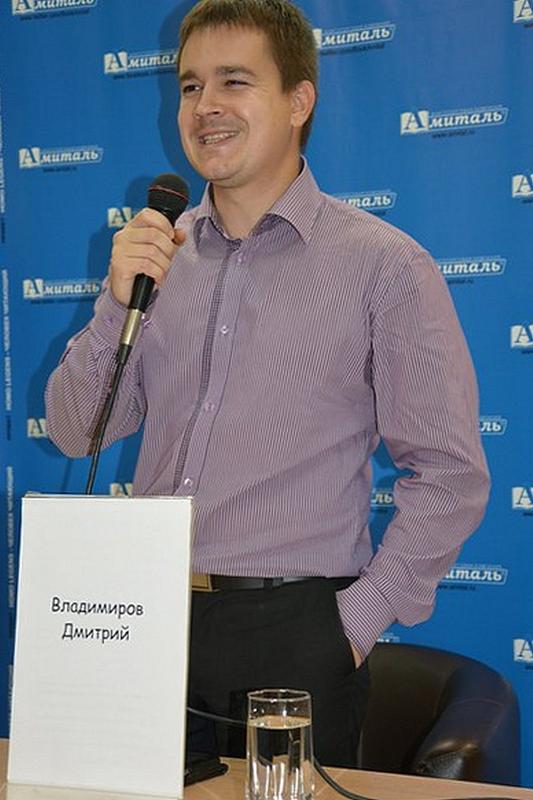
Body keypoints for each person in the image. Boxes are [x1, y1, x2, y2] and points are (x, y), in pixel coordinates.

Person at [46, 0, 490, 766]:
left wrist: (350, 626)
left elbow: (450, 474)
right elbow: (73, 430)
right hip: (141, 620)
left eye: (234, 81)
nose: (204, 106)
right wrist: (116, 303)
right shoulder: (156, 258)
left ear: (297, 101)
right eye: (190, 86)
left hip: (295, 632)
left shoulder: (384, 266)